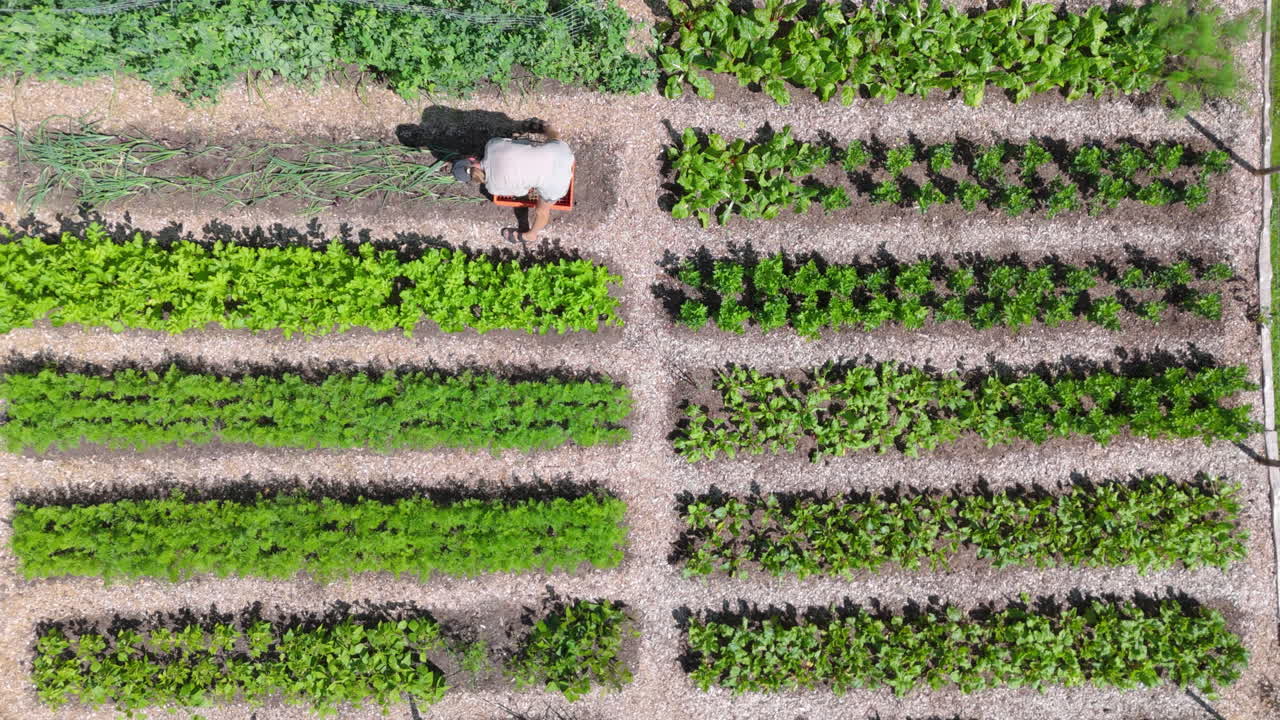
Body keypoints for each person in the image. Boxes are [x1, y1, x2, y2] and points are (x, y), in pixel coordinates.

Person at [451, 122, 573, 243]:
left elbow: (522, 191)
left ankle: (530, 235)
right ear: (471, 158)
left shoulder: (492, 187)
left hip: (558, 184)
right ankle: (547, 127)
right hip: (563, 153)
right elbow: (517, 142)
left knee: (542, 211)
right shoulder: (491, 145)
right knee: (553, 140)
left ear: (472, 179)